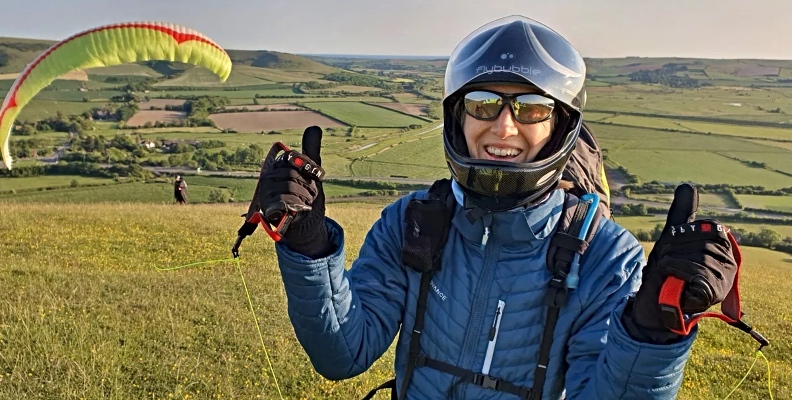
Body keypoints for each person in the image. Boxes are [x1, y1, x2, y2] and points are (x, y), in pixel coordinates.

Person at [255, 15, 741, 400]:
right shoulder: (410, 223)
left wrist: (652, 332)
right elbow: (342, 354)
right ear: (457, 116)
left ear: (560, 125)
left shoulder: (605, 257)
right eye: (483, 103)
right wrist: (310, 248)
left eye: (532, 108)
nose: (503, 129)